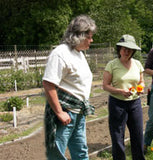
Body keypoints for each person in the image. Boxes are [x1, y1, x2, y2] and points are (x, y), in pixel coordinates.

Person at [42, 15, 96, 160]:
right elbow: (48, 84)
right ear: (79, 35)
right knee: (57, 154)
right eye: (89, 37)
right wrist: (59, 112)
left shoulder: (79, 54)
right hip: (65, 114)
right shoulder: (60, 53)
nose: (91, 40)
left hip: (78, 112)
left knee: (81, 152)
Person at [103, 34, 145, 160]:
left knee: (137, 134)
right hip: (117, 104)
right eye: (124, 49)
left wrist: (140, 88)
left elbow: (141, 82)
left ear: (133, 51)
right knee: (117, 136)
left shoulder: (137, 64)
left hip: (135, 103)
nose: (126, 52)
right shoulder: (112, 65)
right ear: (119, 49)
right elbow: (105, 86)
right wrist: (120, 91)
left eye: (130, 49)